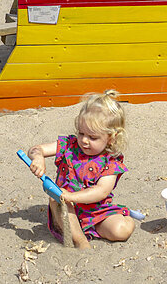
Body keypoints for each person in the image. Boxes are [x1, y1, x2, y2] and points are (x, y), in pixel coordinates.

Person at [24, 90, 136, 244]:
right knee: (56, 198)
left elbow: (101, 191)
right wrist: (38, 157)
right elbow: (37, 149)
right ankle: (81, 241)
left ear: (111, 138)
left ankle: (122, 218)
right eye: (81, 133)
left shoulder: (111, 161)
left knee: (121, 230)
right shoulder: (69, 146)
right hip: (65, 210)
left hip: (96, 212)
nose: (84, 140)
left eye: (93, 137)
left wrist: (72, 196)